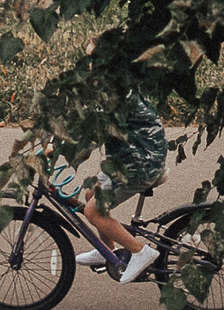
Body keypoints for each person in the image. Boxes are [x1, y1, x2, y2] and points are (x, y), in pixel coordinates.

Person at [66, 87, 170, 284]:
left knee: (93, 212)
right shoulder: (117, 82)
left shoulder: (116, 93)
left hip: (139, 164)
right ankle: (107, 250)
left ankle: (140, 251)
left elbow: (90, 132)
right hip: (132, 157)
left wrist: (60, 145)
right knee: (91, 194)